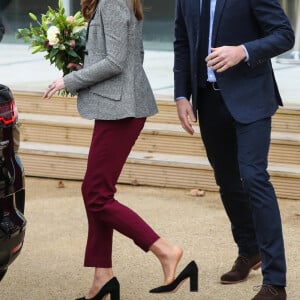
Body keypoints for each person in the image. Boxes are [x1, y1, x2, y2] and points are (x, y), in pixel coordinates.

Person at [44, 0, 198, 299]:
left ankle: (165, 250)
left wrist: (70, 79)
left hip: (122, 109)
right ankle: (103, 277)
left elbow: (115, 62)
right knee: (96, 191)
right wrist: (84, 67)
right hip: (120, 104)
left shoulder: (113, 2)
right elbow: (130, 56)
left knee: (96, 194)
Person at [173, 0, 294, 300]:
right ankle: (249, 249)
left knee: (253, 177)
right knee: (227, 181)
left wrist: (243, 51)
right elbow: (182, 41)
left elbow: (283, 34)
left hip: (251, 96)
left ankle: (275, 281)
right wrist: (180, 94)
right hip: (208, 100)